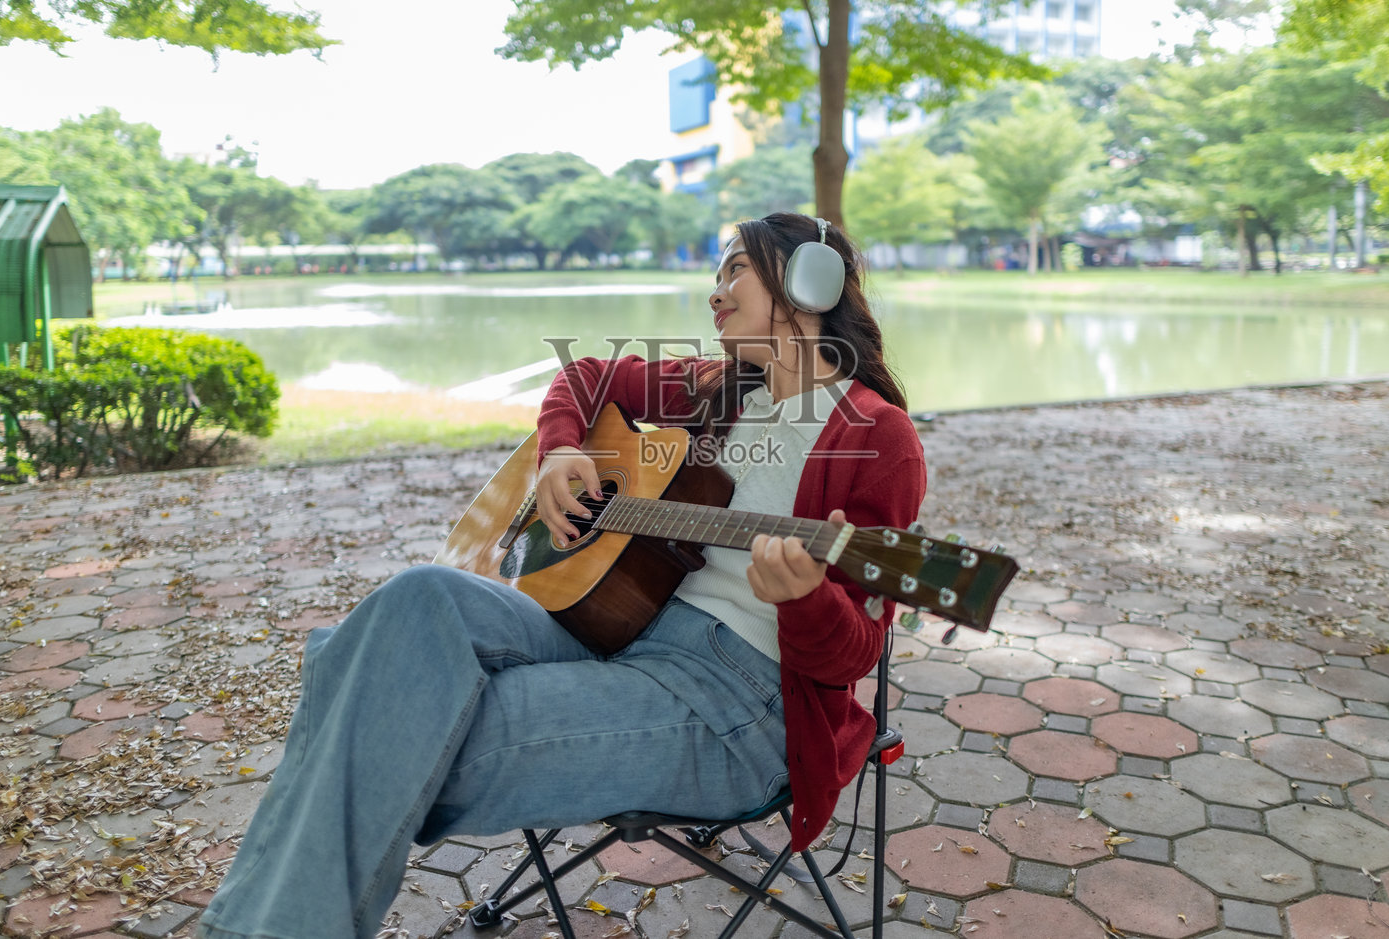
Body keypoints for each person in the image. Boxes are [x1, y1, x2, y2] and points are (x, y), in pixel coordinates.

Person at [195, 212, 927, 939]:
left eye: (735, 268)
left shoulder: (874, 436)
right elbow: (585, 375)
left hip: (737, 702)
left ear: (810, 281)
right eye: (717, 272)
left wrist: (805, 598)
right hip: (619, 625)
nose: (715, 289)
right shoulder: (720, 388)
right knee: (418, 598)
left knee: (385, 717)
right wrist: (559, 451)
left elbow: (857, 650)